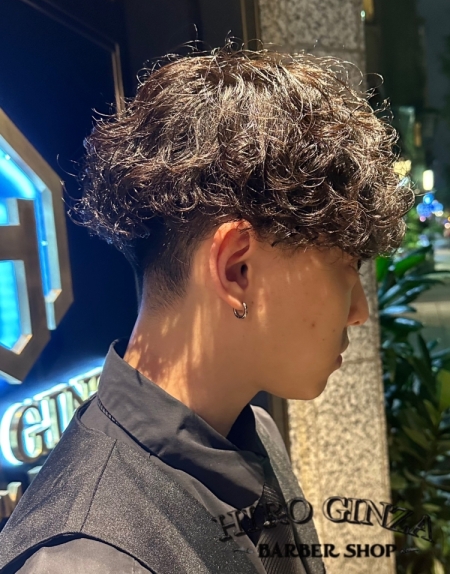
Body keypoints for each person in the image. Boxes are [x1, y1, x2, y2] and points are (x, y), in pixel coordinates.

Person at [0, 44, 414, 574]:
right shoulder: (87, 559)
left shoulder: (250, 429)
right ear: (237, 269)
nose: (359, 311)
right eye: (347, 268)